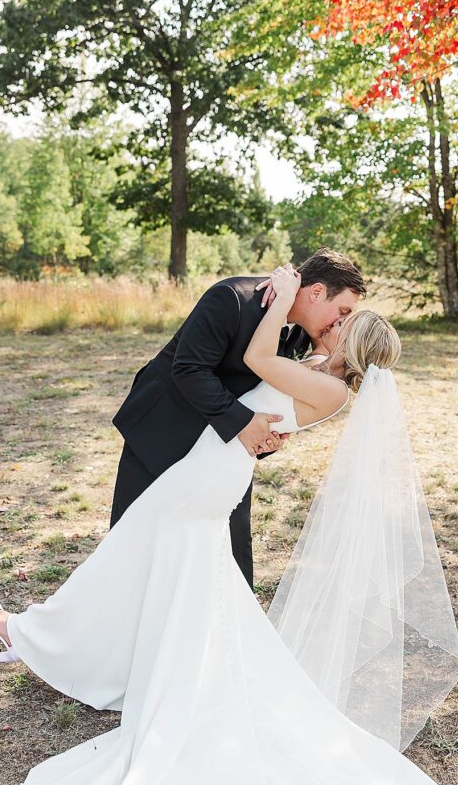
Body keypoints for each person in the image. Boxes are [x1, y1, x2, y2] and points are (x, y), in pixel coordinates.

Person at [0, 264, 458, 785]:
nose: (333, 325)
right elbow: (244, 385)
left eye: (343, 324)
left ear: (351, 345)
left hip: (209, 475)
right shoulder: (320, 373)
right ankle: (83, 648)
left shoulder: (323, 383)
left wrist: (280, 299)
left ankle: (35, 635)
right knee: (164, 571)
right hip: (210, 465)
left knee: (133, 559)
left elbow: (255, 361)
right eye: (337, 313)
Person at [108, 247, 366, 588]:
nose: (340, 322)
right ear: (317, 292)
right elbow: (189, 369)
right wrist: (244, 423)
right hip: (162, 434)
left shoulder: (304, 332)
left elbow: (272, 389)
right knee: (134, 547)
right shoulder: (232, 298)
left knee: (229, 558)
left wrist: (270, 433)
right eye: (342, 311)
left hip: (224, 451)